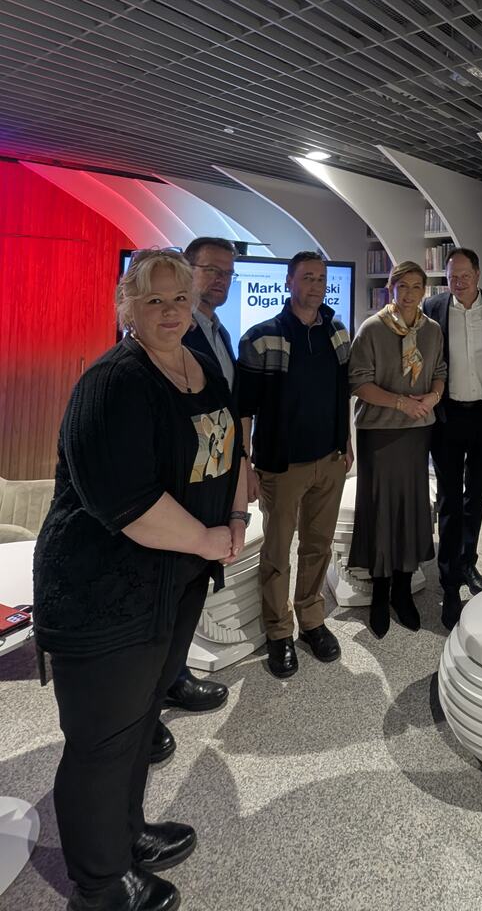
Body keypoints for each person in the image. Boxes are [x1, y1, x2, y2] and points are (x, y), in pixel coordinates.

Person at [33, 249, 246, 911]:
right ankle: (100, 885)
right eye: (153, 300)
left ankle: (126, 836)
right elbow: (128, 504)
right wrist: (209, 539)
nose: (169, 311)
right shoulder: (113, 383)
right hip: (106, 592)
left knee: (140, 719)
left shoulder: (198, 365)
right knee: (103, 741)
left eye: (178, 298)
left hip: (172, 584)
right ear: (126, 307)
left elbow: (231, 447)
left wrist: (236, 515)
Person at [238, 251, 352, 679]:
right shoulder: (261, 336)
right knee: (277, 551)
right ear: (289, 282)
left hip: (330, 459)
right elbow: (244, 408)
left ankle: (312, 620)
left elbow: (342, 394)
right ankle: (278, 631)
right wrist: (245, 463)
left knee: (318, 545)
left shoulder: (337, 331)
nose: (316, 285)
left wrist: (346, 442)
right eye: (307, 277)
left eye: (321, 278)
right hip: (282, 465)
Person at [150, 236, 239, 768]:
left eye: (228, 273)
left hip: (208, 485)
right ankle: (143, 711)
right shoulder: (173, 335)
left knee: (187, 594)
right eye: (211, 271)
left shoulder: (217, 330)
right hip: (173, 494)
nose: (220, 281)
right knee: (159, 602)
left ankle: (174, 677)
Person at [348, 261, 446, 637]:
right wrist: (401, 403)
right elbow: (359, 382)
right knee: (380, 510)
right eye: (402, 286)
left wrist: (433, 397)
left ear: (424, 291)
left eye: (416, 286)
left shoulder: (432, 330)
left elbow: (440, 371)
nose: (409, 294)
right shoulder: (372, 329)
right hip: (380, 433)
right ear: (390, 289)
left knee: (411, 509)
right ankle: (380, 592)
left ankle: (402, 589)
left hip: (417, 433)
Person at [422, 247, 482, 629]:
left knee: (476, 495)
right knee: (449, 501)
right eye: (451, 277)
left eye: (464, 275)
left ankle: (468, 563)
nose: (458, 283)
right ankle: (449, 584)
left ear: (477, 275)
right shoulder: (432, 308)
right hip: (448, 417)